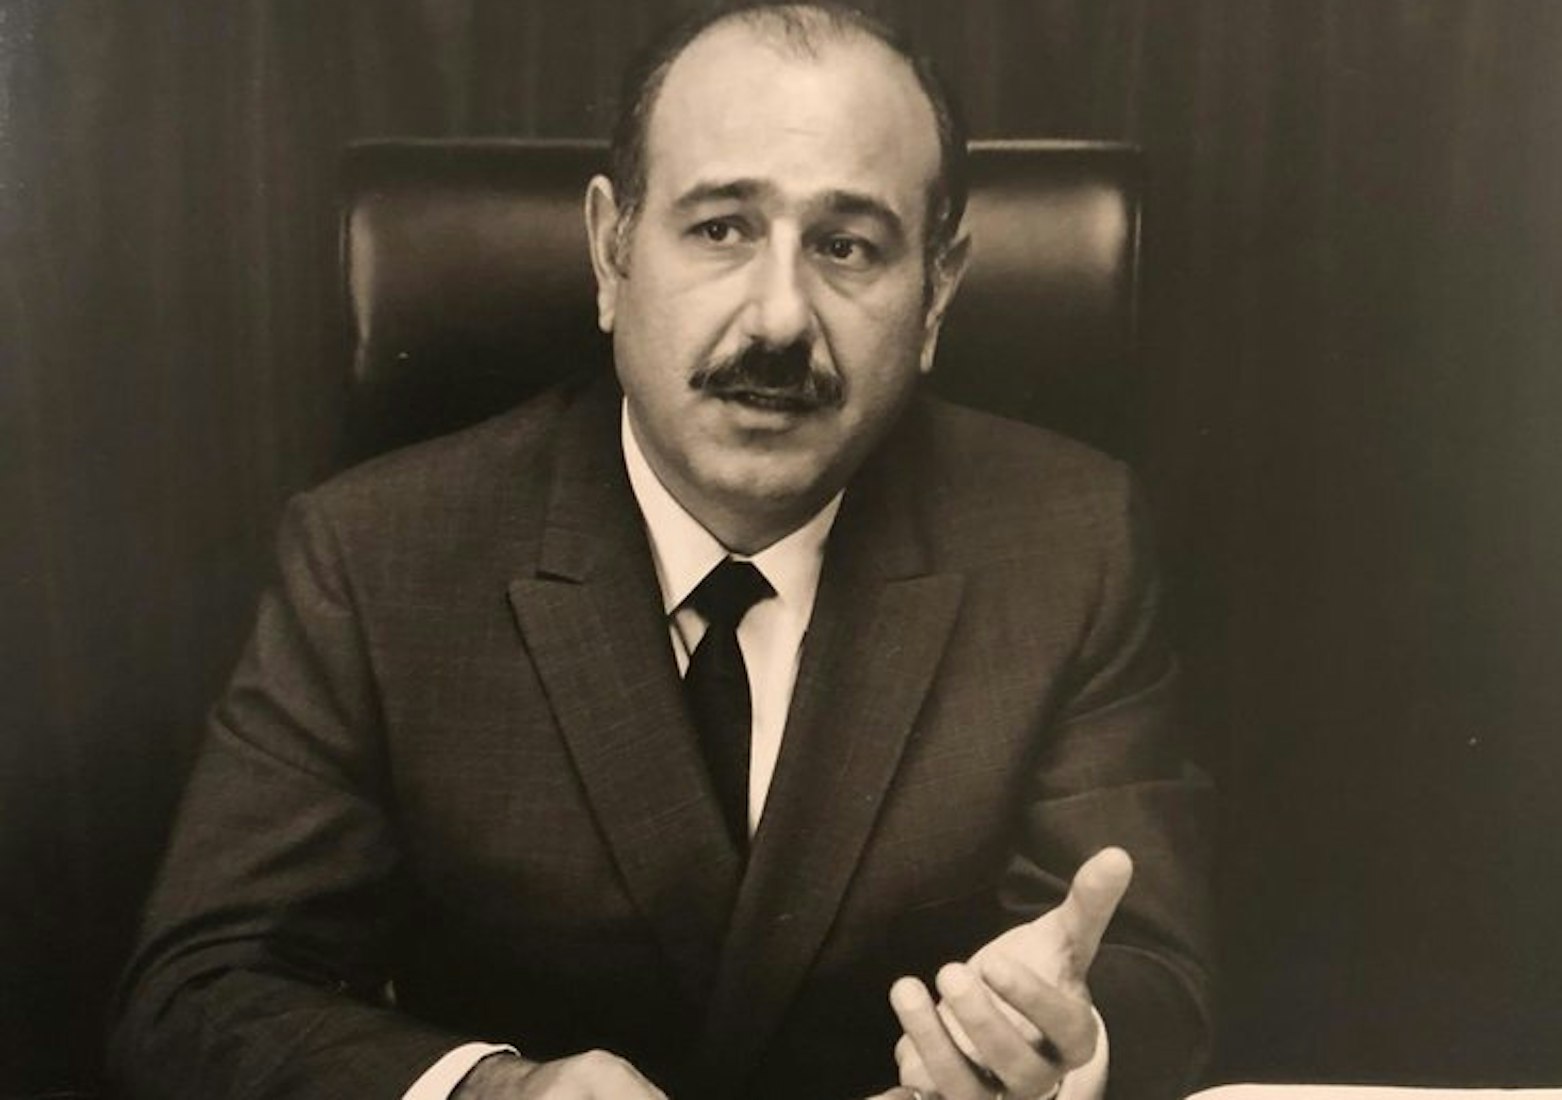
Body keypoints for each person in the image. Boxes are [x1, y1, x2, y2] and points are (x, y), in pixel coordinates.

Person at [110, 5, 1213, 1099]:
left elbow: (1151, 971)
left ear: (936, 293)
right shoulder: (376, 555)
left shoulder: (1071, 540)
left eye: (847, 246)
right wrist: (500, 1091)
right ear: (611, 248)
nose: (779, 319)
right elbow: (200, 992)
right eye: (721, 227)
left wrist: (1055, 1044)